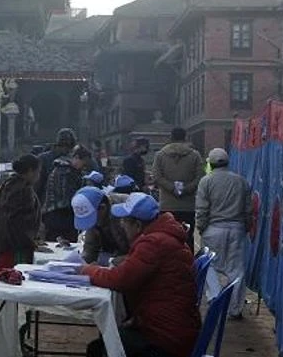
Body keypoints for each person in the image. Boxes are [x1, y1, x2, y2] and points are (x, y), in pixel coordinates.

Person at [81, 193, 201, 357]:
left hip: (165, 339)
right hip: (170, 329)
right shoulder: (162, 236)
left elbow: (119, 279)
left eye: (125, 221)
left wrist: (86, 270)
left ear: (137, 225)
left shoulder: (153, 243)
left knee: (102, 347)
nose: (121, 225)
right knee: (101, 344)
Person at [196, 148, 251, 319]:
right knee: (236, 270)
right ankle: (235, 309)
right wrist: (246, 226)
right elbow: (248, 209)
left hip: (214, 228)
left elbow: (202, 208)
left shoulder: (206, 181)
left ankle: (215, 296)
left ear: (210, 164)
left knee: (210, 264)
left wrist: (201, 227)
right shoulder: (241, 181)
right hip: (237, 228)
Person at [0, 154, 42, 281]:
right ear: (30, 171)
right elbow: (15, 222)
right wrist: (29, 242)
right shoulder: (21, 190)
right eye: (37, 171)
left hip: (6, 244)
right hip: (14, 248)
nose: (38, 175)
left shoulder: (11, 184)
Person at [153, 127, 205, 250]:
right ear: (185, 137)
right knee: (187, 238)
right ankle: (188, 266)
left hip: (167, 204)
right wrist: (186, 189)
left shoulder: (160, 155)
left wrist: (171, 188)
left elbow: (157, 176)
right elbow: (199, 177)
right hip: (188, 206)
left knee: (166, 239)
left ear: (171, 138)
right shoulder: (195, 155)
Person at [42, 145, 91, 242]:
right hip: (59, 215)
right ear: (76, 157)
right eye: (83, 163)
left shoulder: (66, 169)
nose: (84, 167)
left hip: (57, 213)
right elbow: (68, 197)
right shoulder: (65, 172)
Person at [71, 186, 130, 266]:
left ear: (103, 208)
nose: (91, 224)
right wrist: (82, 262)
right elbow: (90, 248)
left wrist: (124, 259)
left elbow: (144, 251)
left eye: (91, 218)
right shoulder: (97, 214)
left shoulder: (128, 211)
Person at [36, 128, 78, 206]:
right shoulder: (44, 159)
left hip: (67, 206)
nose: (67, 150)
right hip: (49, 205)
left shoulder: (73, 159)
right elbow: (38, 184)